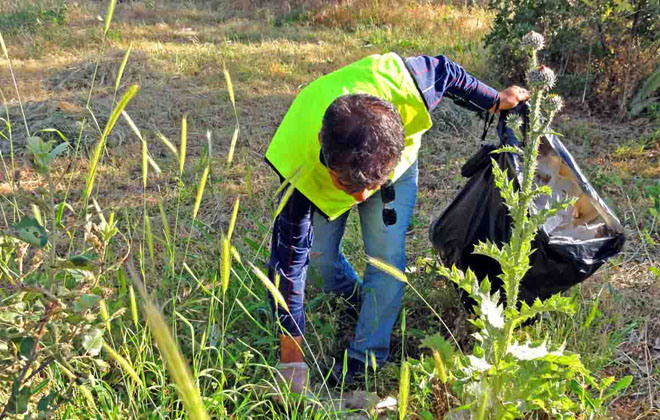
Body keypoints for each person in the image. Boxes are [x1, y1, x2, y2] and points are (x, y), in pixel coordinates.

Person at [264, 52, 530, 394]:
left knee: (385, 258)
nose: (359, 199)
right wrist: (292, 362)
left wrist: (496, 100)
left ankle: (365, 358)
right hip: (313, 182)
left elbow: (446, 72)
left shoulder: (406, 83)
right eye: (348, 186)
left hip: (394, 177)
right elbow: (287, 266)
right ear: (321, 145)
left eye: (367, 189)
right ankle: (359, 298)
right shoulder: (297, 160)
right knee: (317, 260)